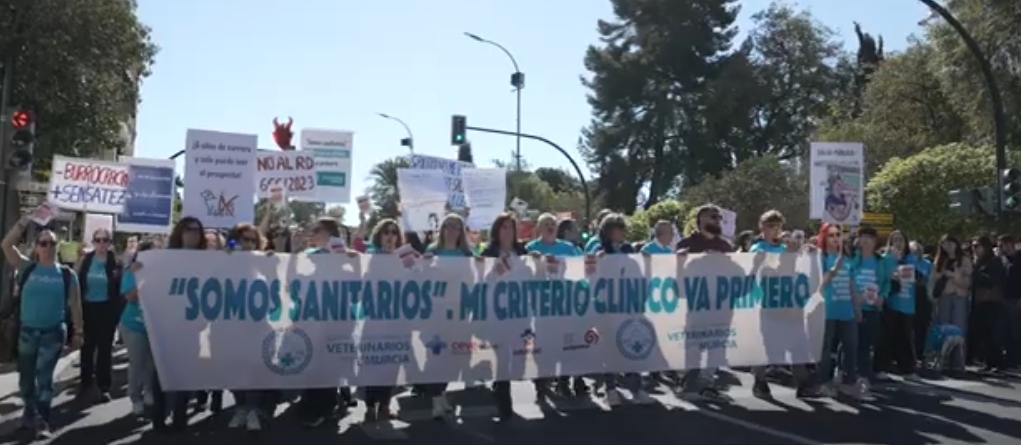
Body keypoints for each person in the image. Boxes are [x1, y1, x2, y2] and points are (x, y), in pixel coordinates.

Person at [1, 212, 84, 438]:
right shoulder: (26, 267)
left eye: (52, 243)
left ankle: (42, 420)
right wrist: (24, 220)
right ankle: (29, 415)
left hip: (53, 333)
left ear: (57, 247)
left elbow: (75, 305)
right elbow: (6, 245)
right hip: (27, 332)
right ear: (36, 247)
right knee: (26, 379)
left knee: (45, 380)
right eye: (43, 243)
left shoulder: (67, 275)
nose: (48, 247)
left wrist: (79, 332)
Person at [748, 210, 821, 398]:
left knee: (797, 345)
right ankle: (759, 381)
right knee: (765, 347)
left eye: (779, 226)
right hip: (769, 304)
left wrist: (808, 254)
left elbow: (798, 268)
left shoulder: (785, 248)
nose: (776, 230)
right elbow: (761, 271)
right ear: (762, 227)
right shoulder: (758, 248)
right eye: (771, 226)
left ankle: (803, 383)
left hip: (790, 304)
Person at [150, 217, 208, 433]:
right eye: (189, 229)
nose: (193, 233)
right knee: (160, 374)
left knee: (184, 374)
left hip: (192, 325)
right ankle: (158, 417)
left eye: (197, 230)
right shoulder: (165, 258)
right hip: (166, 324)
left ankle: (180, 418)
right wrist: (138, 268)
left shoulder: (208, 260)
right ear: (180, 233)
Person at [676, 205, 733, 401]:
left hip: (721, 305)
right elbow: (677, 277)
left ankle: (708, 383)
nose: (717, 220)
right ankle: (689, 382)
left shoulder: (726, 247)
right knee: (694, 344)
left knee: (716, 345)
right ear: (700, 220)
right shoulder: (686, 244)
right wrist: (679, 262)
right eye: (712, 217)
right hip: (697, 303)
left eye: (719, 218)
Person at [422, 213, 474, 418]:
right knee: (435, 355)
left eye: (457, 227)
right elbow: (423, 279)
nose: (452, 230)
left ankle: (441, 393)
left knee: (453, 356)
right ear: (442, 229)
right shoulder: (432, 251)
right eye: (448, 226)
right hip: (436, 311)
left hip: (459, 312)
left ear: (461, 231)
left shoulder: (467, 254)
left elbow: (473, 281)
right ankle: (435, 400)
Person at [224, 223, 272, 431]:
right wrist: (231, 248)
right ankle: (240, 408)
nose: (249, 244)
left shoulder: (263, 264)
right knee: (235, 370)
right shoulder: (225, 261)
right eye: (245, 239)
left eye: (253, 240)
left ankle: (253, 410)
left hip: (257, 327)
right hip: (230, 328)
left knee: (254, 370)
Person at [483, 213, 530, 420]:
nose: (507, 231)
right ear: (496, 230)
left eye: (511, 227)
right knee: (502, 357)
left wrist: (537, 261)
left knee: (516, 359)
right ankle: (504, 401)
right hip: (496, 314)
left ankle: (498, 386)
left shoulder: (522, 251)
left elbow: (532, 274)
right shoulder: (489, 252)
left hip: (519, 312)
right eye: (503, 227)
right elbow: (480, 280)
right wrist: (493, 272)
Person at [361, 218, 405, 424]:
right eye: (386, 232)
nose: (390, 236)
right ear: (379, 236)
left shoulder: (404, 259)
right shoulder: (369, 257)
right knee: (372, 363)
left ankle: (385, 406)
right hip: (374, 320)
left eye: (394, 232)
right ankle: (370, 407)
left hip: (396, 320)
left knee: (391, 364)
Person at [74, 227, 122, 403]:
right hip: (88, 308)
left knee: (105, 349)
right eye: (98, 240)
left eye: (105, 240)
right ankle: (86, 383)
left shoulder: (115, 262)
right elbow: (76, 281)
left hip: (107, 309)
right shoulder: (86, 260)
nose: (101, 243)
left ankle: (104, 386)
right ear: (93, 242)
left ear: (110, 243)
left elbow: (120, 287)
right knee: (86, 348)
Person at [815, 223, 862, 398]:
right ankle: (823, 382)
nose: (836, 238)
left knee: (851, 345)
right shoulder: (820, 257)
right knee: (825, 348)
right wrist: (833, 270)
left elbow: (851, 284)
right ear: (824, 238)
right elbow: (818, 284)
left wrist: (857, 307)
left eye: (838, 235)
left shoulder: (847, 258)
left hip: (846, 310)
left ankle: (848, 381)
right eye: (831, 235)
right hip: (827, 310)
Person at [119, 240, 155, 418]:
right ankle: (135, 398)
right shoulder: (130, 273)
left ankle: (149, 391)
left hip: (154, 326)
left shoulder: (160, 273)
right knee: (137, 363)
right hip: (133, 324)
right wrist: (140, 277)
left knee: (151, 364)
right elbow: (131, 297)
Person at [970, 236, 1007, 372]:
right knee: (982, 333)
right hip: (979, 300)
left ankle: (998, 362)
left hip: (991, 301)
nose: (974, 249)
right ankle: (987, 362)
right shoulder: (977, 262)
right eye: (973, 246)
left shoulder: (994, 261)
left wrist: (977, 275)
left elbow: (995, 280)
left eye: (977, 246)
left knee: (992, 333)